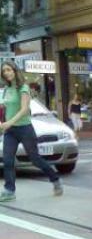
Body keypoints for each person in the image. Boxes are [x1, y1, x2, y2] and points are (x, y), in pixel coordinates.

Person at [0, 60, 62, 202]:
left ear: (15, 71)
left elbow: (24, 110)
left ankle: (55, 179)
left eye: (9, 70)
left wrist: (9, 122)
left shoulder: (23, 88)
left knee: (35, 159)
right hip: (11, 131)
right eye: (4, 71)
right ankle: (9, 191)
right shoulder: (6, 90)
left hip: (25, 129)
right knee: (8, 160)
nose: (7, 73)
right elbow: (2, 108)